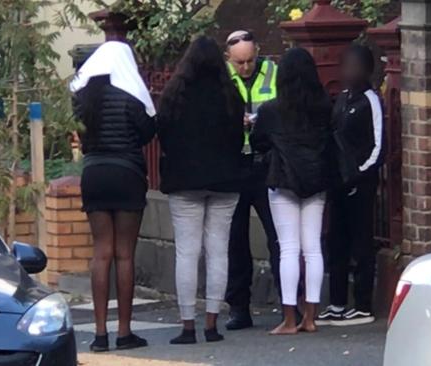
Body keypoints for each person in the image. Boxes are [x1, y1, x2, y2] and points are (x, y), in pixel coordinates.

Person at [70, 40, 156, 352]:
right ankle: (124, 331)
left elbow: (81, 133)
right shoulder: (131, 95)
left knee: (101, 252)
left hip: (93, 174)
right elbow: (148, 131)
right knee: (124, 254)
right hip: (127, 173)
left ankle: (99, 333)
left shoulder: (82, 99)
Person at [158, 36, 244, 345]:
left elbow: (164, 136)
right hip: (225, 181)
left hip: (184, 181)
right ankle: (211, 324)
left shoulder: (173, 96)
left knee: (187, 252)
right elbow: (237, 138)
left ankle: (187, 326)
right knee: (218, 251)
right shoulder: (230, 95)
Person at [251, 47, 333, 335]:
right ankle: (311, 316)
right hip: (316, 181)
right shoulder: (324, 105)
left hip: (283, 180)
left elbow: (257, 140)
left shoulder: (272, 110)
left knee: (288, 247)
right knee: (312, 247)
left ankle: (288, 319)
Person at [317, 44, 384, 327]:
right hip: (338, 184)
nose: (349, 72)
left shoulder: (371, 100)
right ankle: (337, 303)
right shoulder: (342, 98)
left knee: (362, 243)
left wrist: (359, 175)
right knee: (336, 242)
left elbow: (378, 146)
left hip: (359, 185)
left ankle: (364, 304)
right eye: (346, 66)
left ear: (367, 70)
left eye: (355, 67)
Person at [224, 30, 281, 330]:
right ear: (229, 59)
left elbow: (285, 108)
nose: (245, 67)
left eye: (249, 60)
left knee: (278, 235)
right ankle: (238, 308)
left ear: (258, 51)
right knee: (236, 240)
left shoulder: (273, 71)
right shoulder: (221, 77)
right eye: (239, 63)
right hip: (235, 163)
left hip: (266, 162)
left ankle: (288, 303)